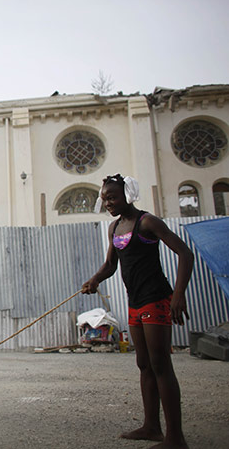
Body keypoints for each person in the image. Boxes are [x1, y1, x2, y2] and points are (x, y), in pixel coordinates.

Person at [82, 174, 193, 449]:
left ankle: (175, 438)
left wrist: (178, 295)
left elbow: (185, 254)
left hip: (155, 299)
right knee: (143, 364)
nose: (107, 202)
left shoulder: (147, 222)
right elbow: (111, 264)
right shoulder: (115, 227)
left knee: (161, 365)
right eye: (104, 198)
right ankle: (152, 427)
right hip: (134, 302)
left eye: (112, 197)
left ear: (127, 195)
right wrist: (95, 279)